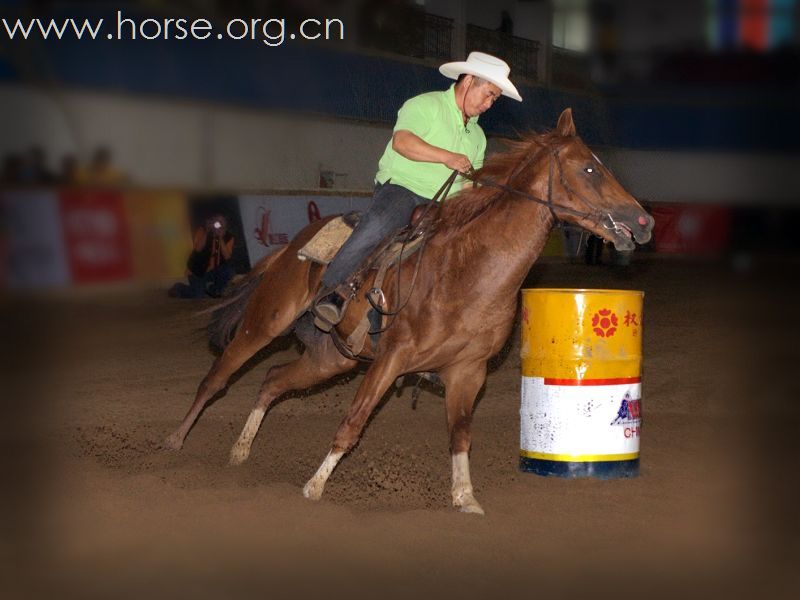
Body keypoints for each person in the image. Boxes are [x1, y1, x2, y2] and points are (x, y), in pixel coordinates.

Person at [313, 51, 522, 330]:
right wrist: (447, 156)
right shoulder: (426, 105)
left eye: (495, 99)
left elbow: (469, 184)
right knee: (380, 224)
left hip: (445, 204)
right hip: (404, 189)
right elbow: (402, 142)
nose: (489, 104)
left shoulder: (478, 137)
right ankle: (333, 292)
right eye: (488, 94)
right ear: (469, 80)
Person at [169, 214, 236, 299]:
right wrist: (207, 232)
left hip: (215, 271)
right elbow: (198, 249)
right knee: (198, 295)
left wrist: (220, 238)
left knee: (229, 270)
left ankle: (214, 290)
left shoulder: (229, 237)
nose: (218, 224)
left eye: (221, 222)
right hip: (198, 270)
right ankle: (178, 288)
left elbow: (227, 257)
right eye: (216, 221)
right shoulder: (202, 231)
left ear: (226, 224)